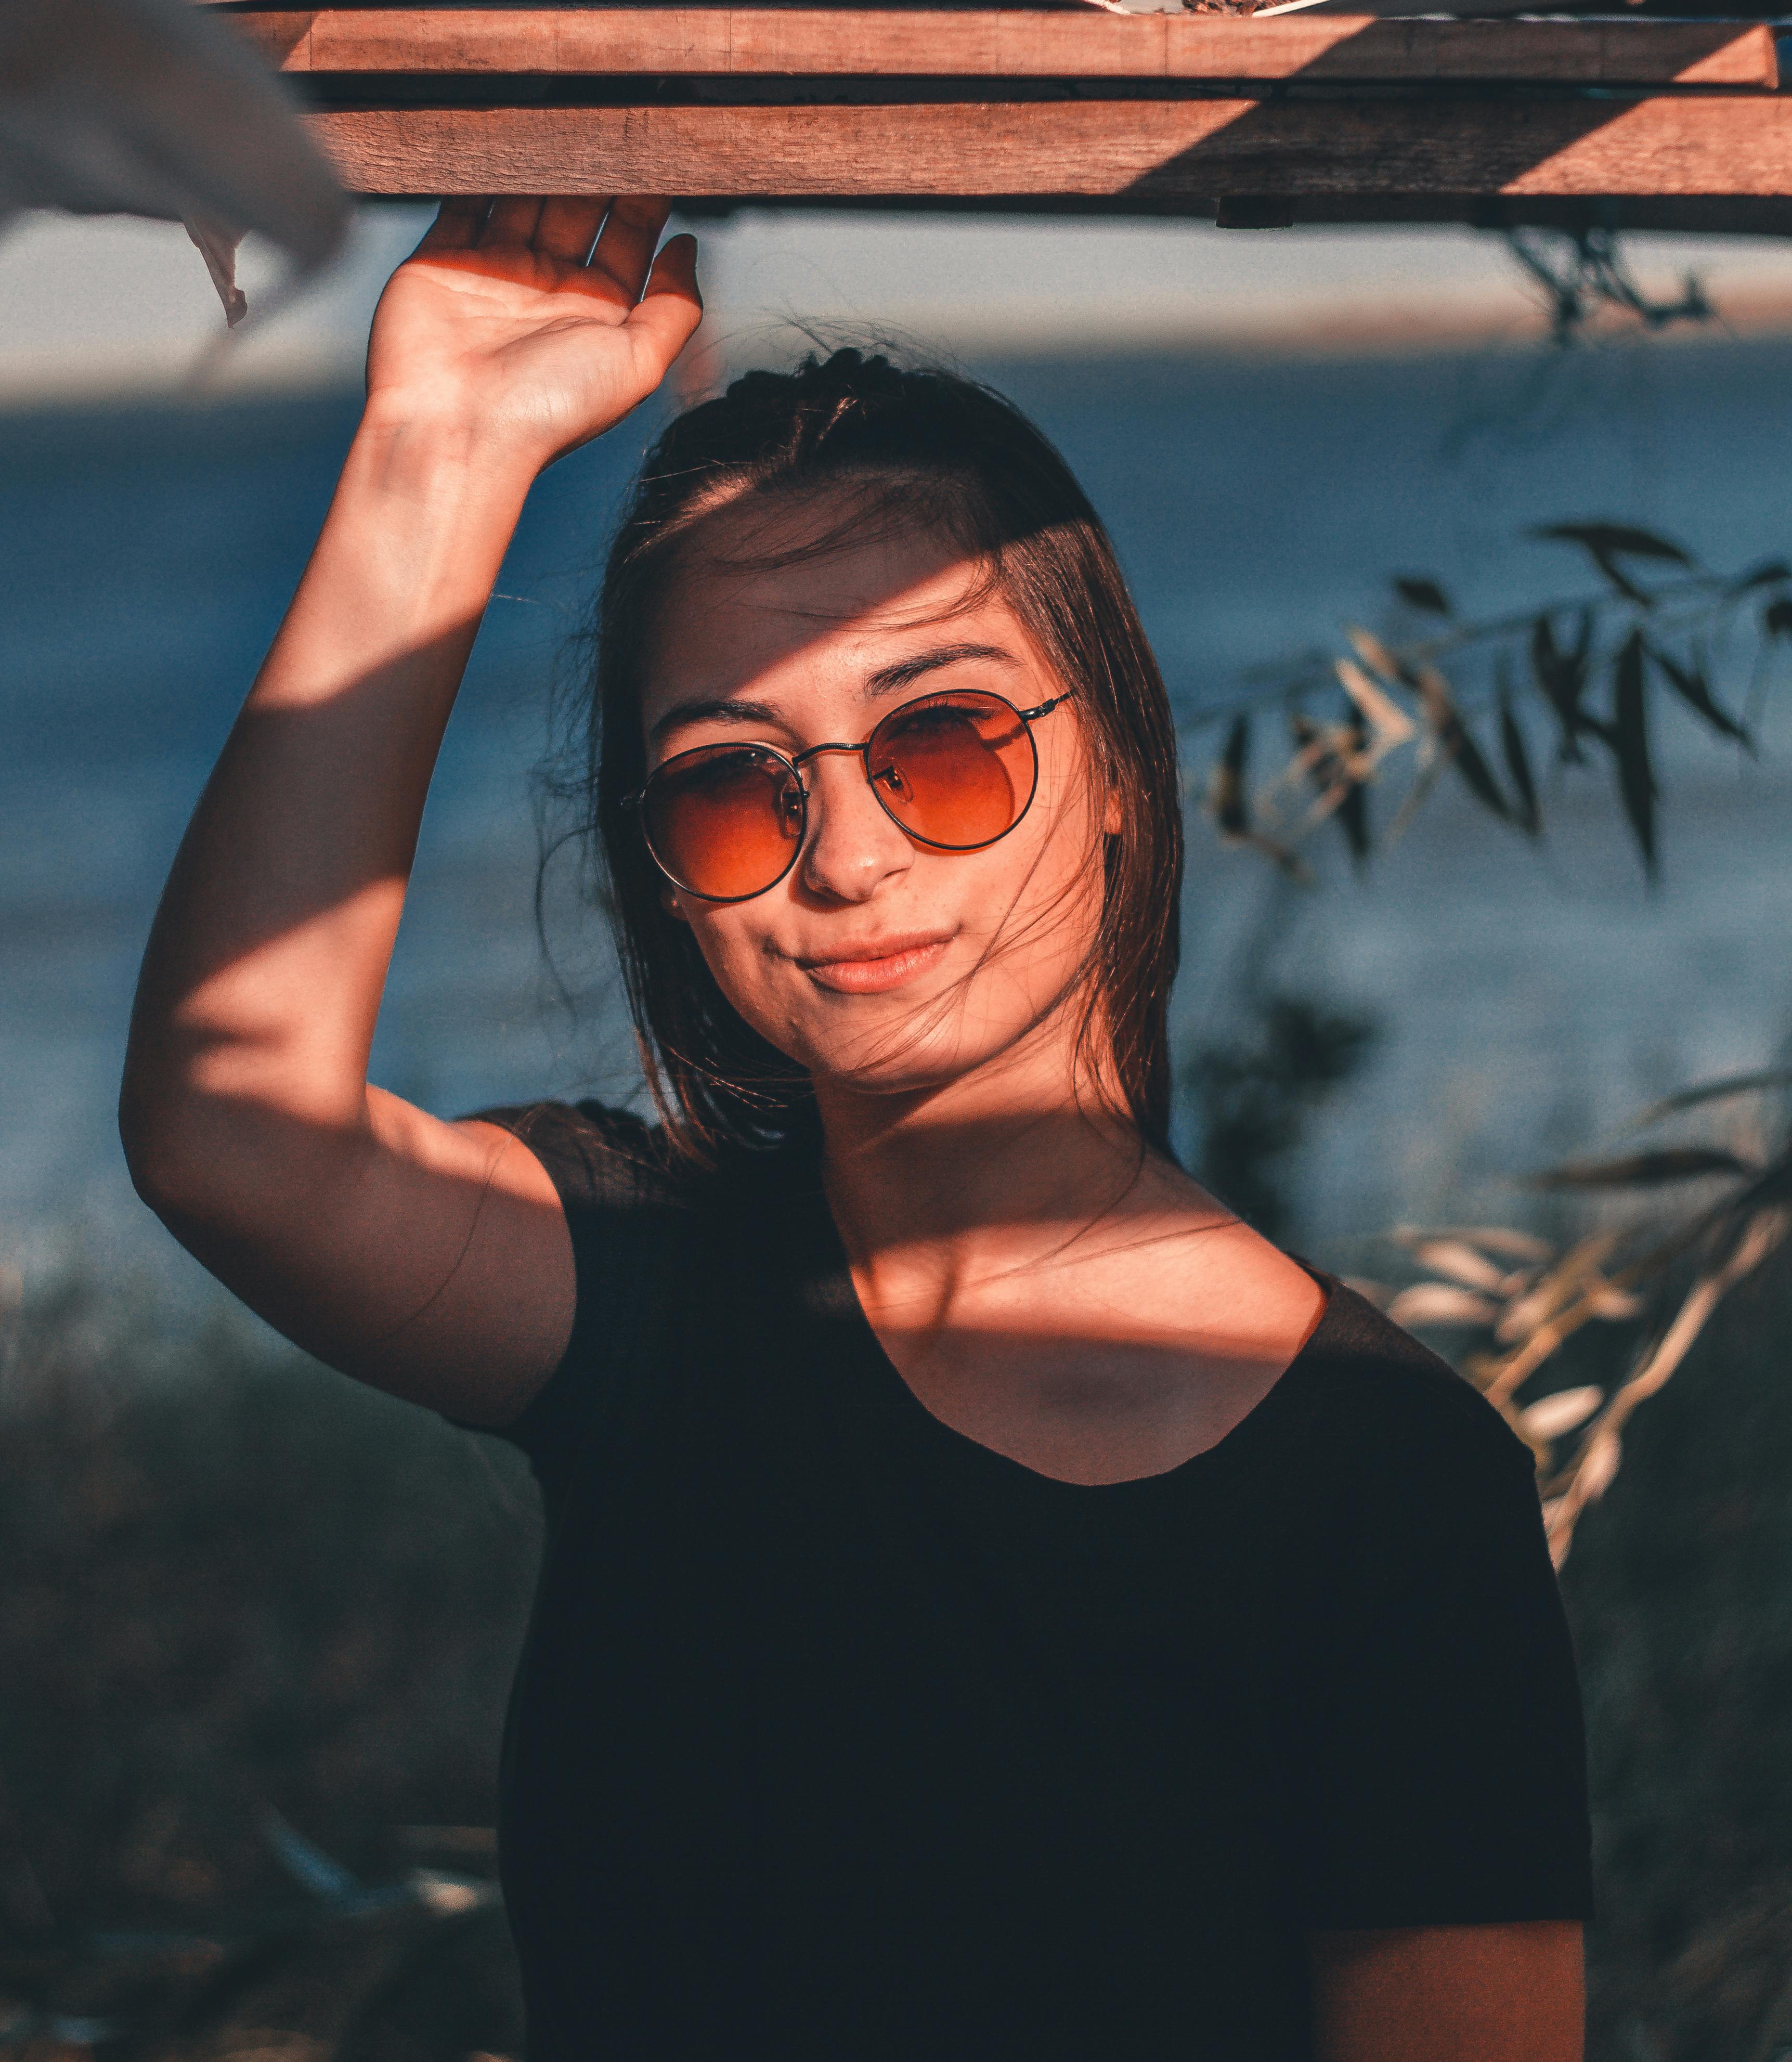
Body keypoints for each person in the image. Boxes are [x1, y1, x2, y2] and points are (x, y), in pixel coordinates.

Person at [121, 194, 1592, 2061]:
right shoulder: (644, 1294)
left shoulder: (1395, 1490)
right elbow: (227, 1129)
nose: (854, 854)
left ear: (1121, 772)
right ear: (669, 884)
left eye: (945, 743)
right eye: (735, 790)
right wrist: (443, 446)